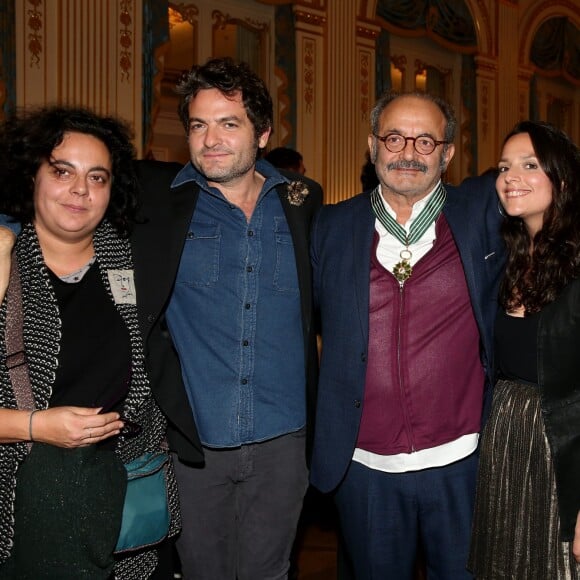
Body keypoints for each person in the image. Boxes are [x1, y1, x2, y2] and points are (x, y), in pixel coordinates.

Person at [134, 57, 322, 580]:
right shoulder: (155, 203)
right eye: (198, 125)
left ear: (263, 133)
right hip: (193, 441)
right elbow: (63, 197)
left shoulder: (303, 204)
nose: (209, 139)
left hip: (284, 440)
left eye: (228, 123)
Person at [309, 90, 505, 579]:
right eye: (394, 137)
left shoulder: (483, 220)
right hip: (363, 466)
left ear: (448, 153)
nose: (408, 153)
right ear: (372, 146)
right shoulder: (330, 226)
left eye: (425, 141)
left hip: (462, 460)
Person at [0, 106, 189, 579]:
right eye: (62, 171)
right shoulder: (5, 260)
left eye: (97, 177)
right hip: (26, 497)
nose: (80, 190)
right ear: (31, 176)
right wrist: (35, 426)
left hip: (128, 490)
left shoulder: (134, 259)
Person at [469, 121, 580, 578]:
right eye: (503, 167)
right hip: (506, 442)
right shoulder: (506, 258)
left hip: (563, 449)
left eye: (529, 165)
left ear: (562, 179)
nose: (510, 177)